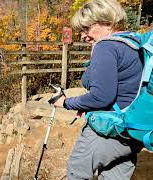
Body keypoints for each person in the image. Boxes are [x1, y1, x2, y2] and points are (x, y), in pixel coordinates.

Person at [52, 0, 143, 179]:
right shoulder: (134, 43)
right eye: (81, 31)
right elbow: (123, 89)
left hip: (108, 131)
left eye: (86, 29)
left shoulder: (106, 46)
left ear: (107, 22)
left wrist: (66, 102)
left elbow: (101, 97)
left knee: (77, 171)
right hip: (132, 132)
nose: (83, 36)